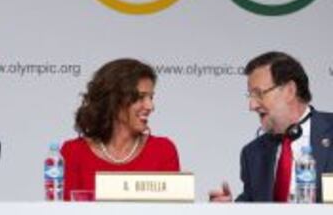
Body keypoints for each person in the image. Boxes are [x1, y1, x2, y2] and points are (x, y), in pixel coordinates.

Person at [209, 51, 333, 203]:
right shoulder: (252, 153)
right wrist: (230, 210)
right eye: (250, 96)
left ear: (289, 91)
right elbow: (251, 205)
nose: (252, 105)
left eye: (259, 94)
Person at [61, 58, 180, 201]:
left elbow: (174, 209)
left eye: (151, 97)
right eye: (140, 97)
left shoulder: (163, 150)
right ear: (114, 100)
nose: (150, 106)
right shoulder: (73, 152)